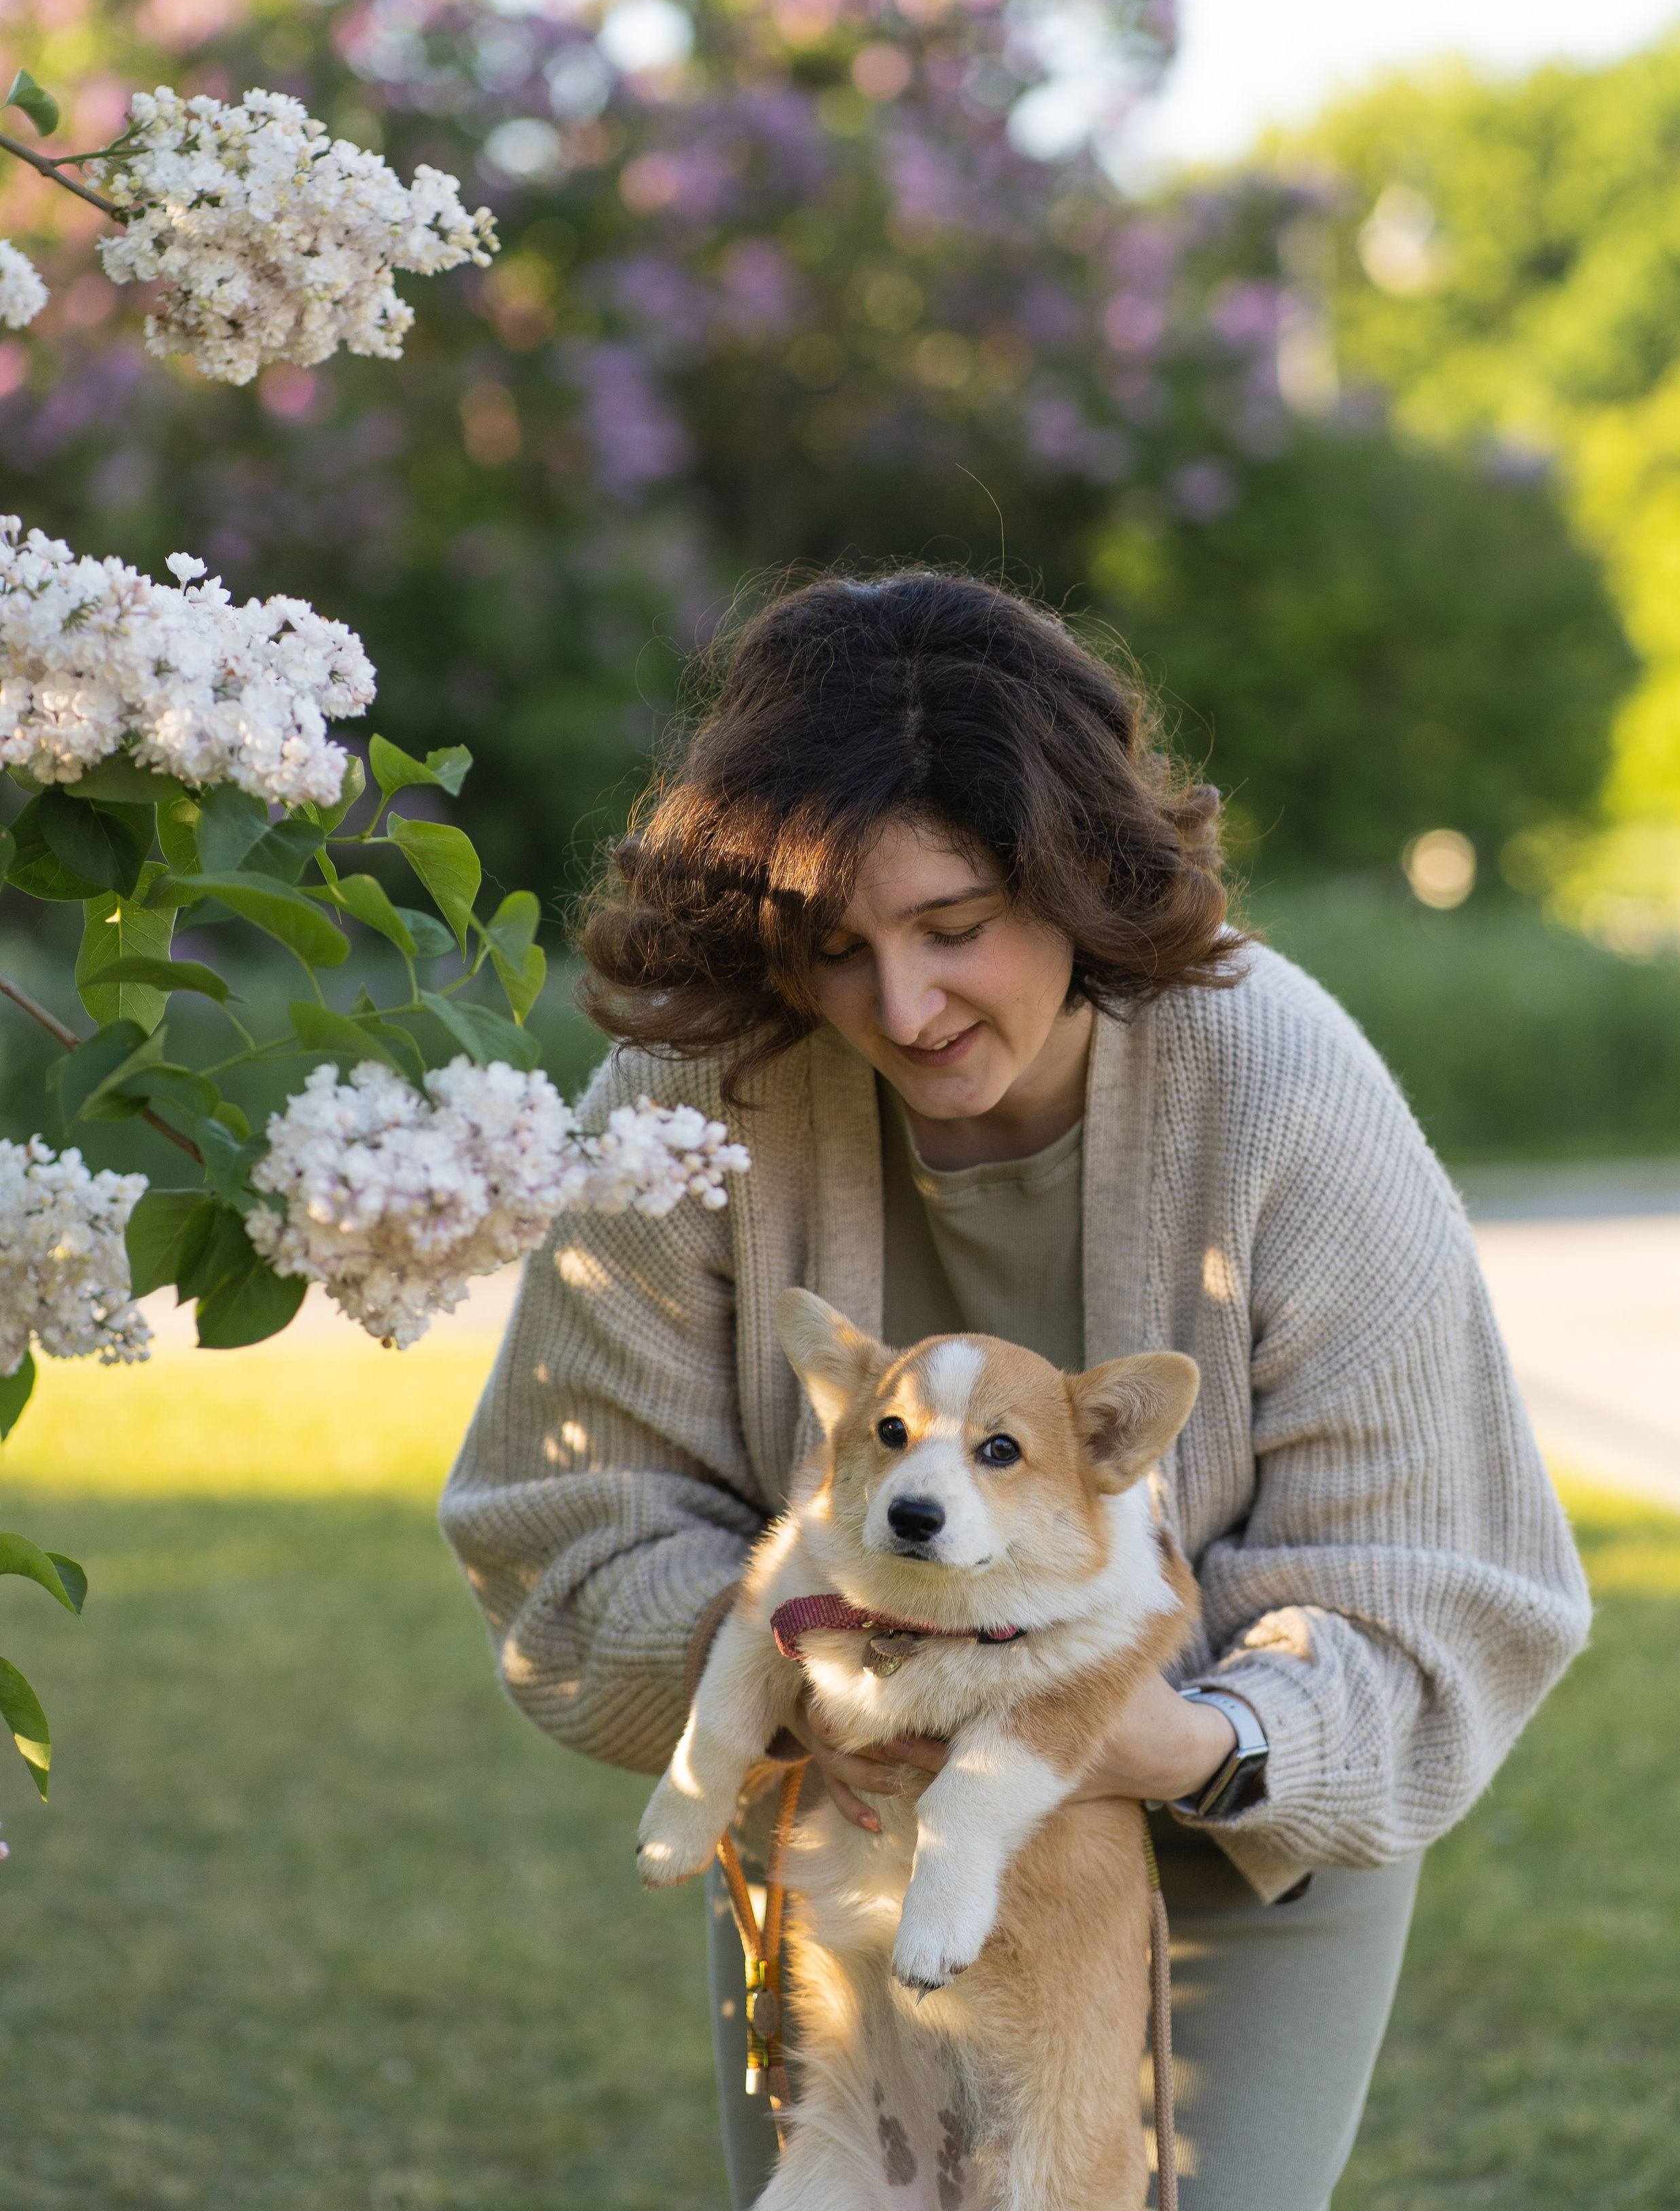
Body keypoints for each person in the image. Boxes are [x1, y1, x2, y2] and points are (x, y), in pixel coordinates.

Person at [440, 570, 1590, 2211]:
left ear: (1076, 878)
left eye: (954, 929)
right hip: (853, 1802)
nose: (899, 1010)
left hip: (1222, 1825)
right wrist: (834, 1687)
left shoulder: (1280, 1086)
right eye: (834, 947)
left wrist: (1180, 1739)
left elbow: (1431, 1585)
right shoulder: (698, 1087)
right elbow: (566, 1520)